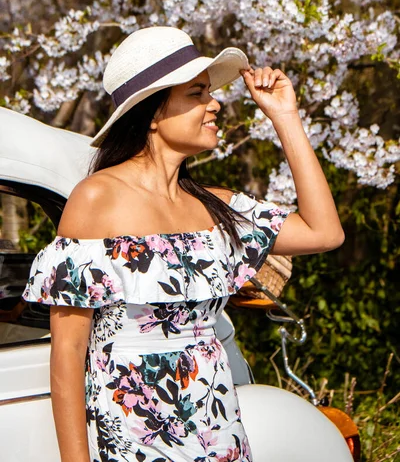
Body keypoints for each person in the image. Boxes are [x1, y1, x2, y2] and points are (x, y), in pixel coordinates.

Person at [23, 26, 344, 462]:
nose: (215, 104)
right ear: (153, 113)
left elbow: (325, 232)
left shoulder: (216, 207)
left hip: (220, 436)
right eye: (197, 93)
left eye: (209, 92)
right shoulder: (96, 200)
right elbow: (68, 353)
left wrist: (285, 117)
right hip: (134, 444)